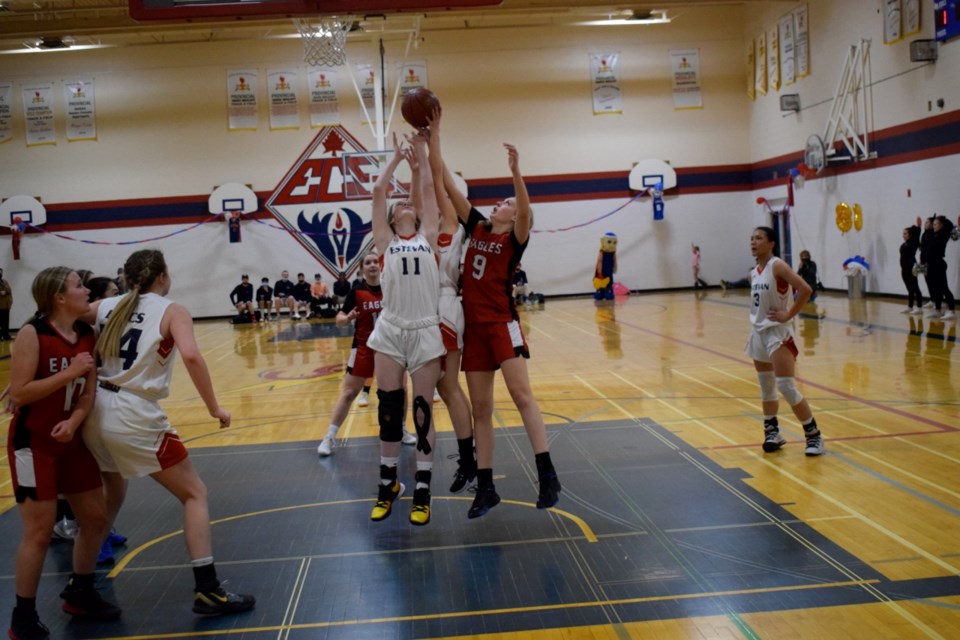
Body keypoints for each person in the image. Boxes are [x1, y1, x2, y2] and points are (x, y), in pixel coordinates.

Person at [82, 249, 255, 615]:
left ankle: (80, 583)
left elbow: (56, 319)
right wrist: (214, 407)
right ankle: (207, 589)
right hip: (132, 412)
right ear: (163, 276)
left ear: (129, 278)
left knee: (112, 492)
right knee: (195, 494)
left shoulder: (105, 305)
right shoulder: (172, 309)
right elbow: (192, 355)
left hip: (94, 409)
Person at [428, 109, 561, 518]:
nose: (499, 204)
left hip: (504, 325)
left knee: (522, 396)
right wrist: (435, 136)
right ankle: (485, 488)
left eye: (505, 203)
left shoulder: (515, 238)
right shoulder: (478, 227)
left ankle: (548, 476)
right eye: (502, 201)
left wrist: (517, 173)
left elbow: (523, 210)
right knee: (482, 409)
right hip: (476, 331)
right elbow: (448, 185)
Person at [7, 267, 121, 640]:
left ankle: (81, 592)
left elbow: (87, 393)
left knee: (94, 516)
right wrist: (67, 372)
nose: (86, 290)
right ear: (58, 297)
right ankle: (22, 617)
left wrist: (74, 422)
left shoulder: (87, 333)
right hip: (33, 443)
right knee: (39, 532)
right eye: (78, 285)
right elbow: (20, 394)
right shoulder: (32, 334)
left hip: (70, 438)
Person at [366, 131, 444, 526]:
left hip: (425, 330)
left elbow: (427, 190)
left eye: (408, 206)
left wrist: (420, 161)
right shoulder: (384, 241)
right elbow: (379, 191)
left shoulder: (430, 235)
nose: (404, 207)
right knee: (389, 413)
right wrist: (395, 159)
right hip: (392, 330)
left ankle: (423, 491)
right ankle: (387, 485)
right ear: (395, 219)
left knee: (422, 413)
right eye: (400, 208)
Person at [426, 128, 476, 495]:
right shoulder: (434, 225)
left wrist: (434, 141)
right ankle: (466, 457)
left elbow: (435, 175)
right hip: (430, 307)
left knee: (448, 386)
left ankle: (468, 458)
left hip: (444, 306)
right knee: (442, 387)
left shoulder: (453, 223)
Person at [745, 227, 824, 457]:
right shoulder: (754, 273)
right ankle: (772, 432)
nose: (753, 242)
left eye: (759, 238)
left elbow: (805, 289)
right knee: (766, 386)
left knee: (786, 386)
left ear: (771, 243)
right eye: (751, 238)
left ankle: (813, 435)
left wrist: (788, 314)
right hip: (758, 333)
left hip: (777, 333)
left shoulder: (777, 266)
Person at [318, 252, 383, 456]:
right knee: (348, 393)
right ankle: (329, 437)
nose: (372, 265)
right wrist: (346, 319)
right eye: (368, 263)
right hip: (363, 347)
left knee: (399, 392)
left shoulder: (391, 288)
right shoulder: (356, 291)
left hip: (389, 348)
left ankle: (403, 430)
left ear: (380, 266)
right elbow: (339, 317)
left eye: (375, 261)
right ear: (362, 269)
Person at [926, 215, 957, 321]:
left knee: (944, 288)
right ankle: (938, 310)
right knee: (935, 289)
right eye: (933, 224)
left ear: (941, 225)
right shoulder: (932, 235)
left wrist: (943, 218)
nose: (933, 226)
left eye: (935, 224)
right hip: (931, 265)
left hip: (939, 264)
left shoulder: (943, 234)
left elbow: (949, 225)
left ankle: (952, 311)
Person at [900, 218, 924, 314]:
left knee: (915, 287)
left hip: (913, 268)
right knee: (909, 288)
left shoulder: (913, 243)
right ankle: (910, 307)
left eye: (905, 233)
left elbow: (917, 235)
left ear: (910, 235)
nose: (903, 235)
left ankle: (919, 307)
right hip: (904, 269)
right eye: (903, 233)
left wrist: (918, 227)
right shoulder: (904, 244)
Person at [0, 267, 12, 341]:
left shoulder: (4, 281)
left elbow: (9, 290)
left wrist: (5, 292)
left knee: (5, 321)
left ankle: (6, 335)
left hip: (6, 305)